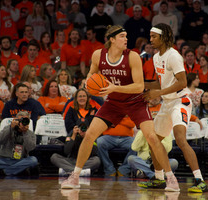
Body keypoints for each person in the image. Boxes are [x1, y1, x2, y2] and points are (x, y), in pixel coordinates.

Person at [60, 25, 180, 192]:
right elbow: (91, 74)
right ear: (112, 39)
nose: (126, 39)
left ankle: (170, 179)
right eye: (122, 36)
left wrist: (112, 88)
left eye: (126, 36)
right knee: (89, 135)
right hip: (113, 102)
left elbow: (139, 86)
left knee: (152, 138)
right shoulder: (98, 55)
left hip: (135, 101)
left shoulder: (132, 56)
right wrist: (89, 82)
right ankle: (74, 177)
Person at [143, 23, 208, 193]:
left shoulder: (174, 56)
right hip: (167, 103)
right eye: (150, 37)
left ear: (163, 37)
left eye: (153, 37)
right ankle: (158, 178)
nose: (150, 40)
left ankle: (199, 180)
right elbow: (161, 82)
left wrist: (158, 92)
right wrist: (141, 85)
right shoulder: (156, 57)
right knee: (152, 140)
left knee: (180, 139)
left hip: (181, 101)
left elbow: (182, 82)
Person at [51, 89, 100, 176]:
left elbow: (94, 152)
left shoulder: (91, 135)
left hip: (85, 160)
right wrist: (73, 136)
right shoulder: (72, 133)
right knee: (54, 157)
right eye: (80, 96)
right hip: (72, 160)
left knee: (97, 160)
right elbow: (66, 151)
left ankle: (70, 171)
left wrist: (86, 137)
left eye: (84, 96)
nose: (82, 129)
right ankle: (79, 172)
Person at [0, 111, 38, 176]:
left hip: (20, 160)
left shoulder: (30, 134)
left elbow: (30, 148)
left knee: (33, 160)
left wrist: (25, 133)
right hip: (2, 159)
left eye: (25, 120)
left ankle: (5, 171)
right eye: (20, 120)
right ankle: (16, 170)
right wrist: (11, 128)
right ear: (15, 120)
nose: (22, 122)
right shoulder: (7, 128)